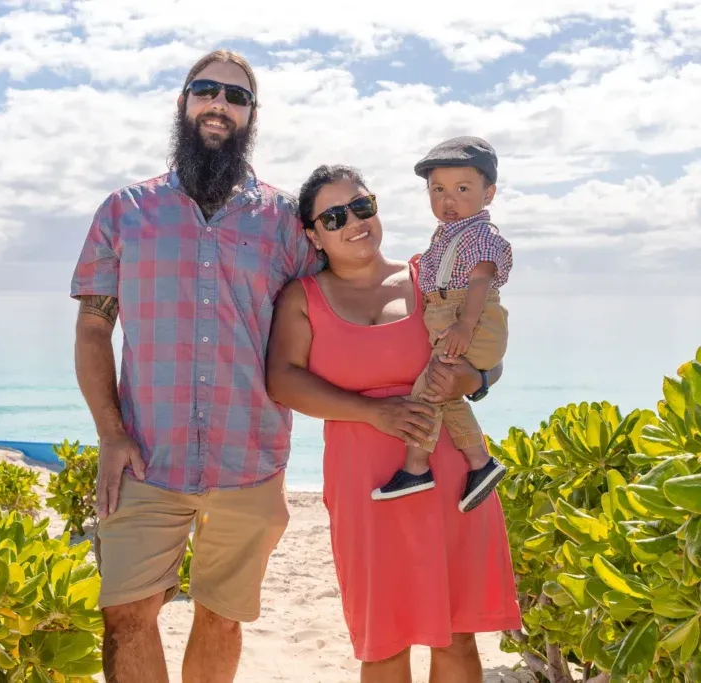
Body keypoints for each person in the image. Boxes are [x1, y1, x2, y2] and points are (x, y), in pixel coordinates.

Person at [70, 49, 322, 683]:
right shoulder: (124, 211)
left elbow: (337, 313)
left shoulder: (286, 222)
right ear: (183, 103)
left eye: (236, 97)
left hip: (252, 456)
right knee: (126, 614)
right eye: (205, 90)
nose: (220, 104)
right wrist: (109, 433)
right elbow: (94, 328)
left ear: (251, 116)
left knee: (221, 616)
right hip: (146, 456)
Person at [266, 164, 523, 681]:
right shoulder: (303, 297)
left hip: (454, 477)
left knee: (455, 636)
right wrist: (371, 411)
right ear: (313, 235)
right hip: (367, 485)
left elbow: (488, 344)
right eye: (334, 217)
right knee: (381, 640)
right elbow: (283, 383)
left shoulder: (426, 276)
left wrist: (472, 380)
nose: (354, 221)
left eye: (363, 206)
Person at [371, 136, 512, 513]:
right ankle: (481, 464)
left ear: (489, 193)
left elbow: (479, 282)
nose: (448, 200)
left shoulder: (480, 233)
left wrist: (465, 326)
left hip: (471, 319)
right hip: (452, 316)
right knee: (445, 396)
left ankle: (416, 468)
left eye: (463, 188)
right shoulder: (448, 235)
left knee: (428, 393)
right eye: (438, 190)